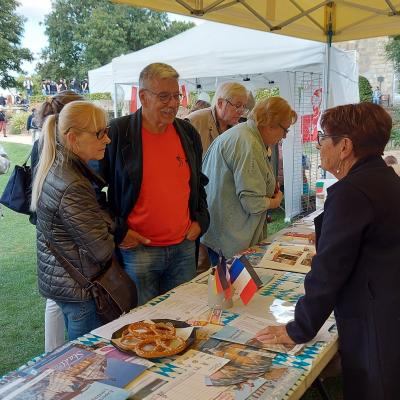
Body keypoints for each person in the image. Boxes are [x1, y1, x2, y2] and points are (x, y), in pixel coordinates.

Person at [255, 103, 400, 399]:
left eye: (323, 136)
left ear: (344, 146)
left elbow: (328, 273)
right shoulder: (383, 178)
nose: (319, 144)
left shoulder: (352, 192)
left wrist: (299, 329)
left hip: (376, 319)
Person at [94, 62, 209, 306]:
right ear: (143, 97)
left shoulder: (187, 133)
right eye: (164, 96)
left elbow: (198, 183)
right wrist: (119, 231)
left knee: (183, 315)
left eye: (176, 96)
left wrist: (201, 219)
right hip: (138, 250)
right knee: (143, 325)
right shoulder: (118, 132)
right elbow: (91, 193)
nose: (172, 103)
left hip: (183, 247)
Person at [30, 101, 113, 341]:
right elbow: (102, 249)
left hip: (66, 285)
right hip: (80, 290)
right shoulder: (73, 183)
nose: (107, 140)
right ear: (73, 137)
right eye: (100, 133)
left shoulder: (59, 167)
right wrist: (110, 223)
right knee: (89, 362)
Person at [202, 96, 296, 263]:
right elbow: (252, 203)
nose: (285, 136)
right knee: (233, 288)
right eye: (285, 130)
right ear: (271, 124)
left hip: (224, 236)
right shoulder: (248, 143)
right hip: (231, 241)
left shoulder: (243, 135)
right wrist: (275, 201)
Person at [31, 90, 85, 352]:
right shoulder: (59, 144)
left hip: (48, 225)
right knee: (63, 294)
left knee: (56, 296)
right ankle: (57, 356)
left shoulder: (43, 140)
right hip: (61, 228)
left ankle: (51, 353)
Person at [186, 82, 248, 155]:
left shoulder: (239, 128)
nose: (241, 112)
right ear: (220, 103)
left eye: (244, 106)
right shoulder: (195, 121)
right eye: (237, 106)